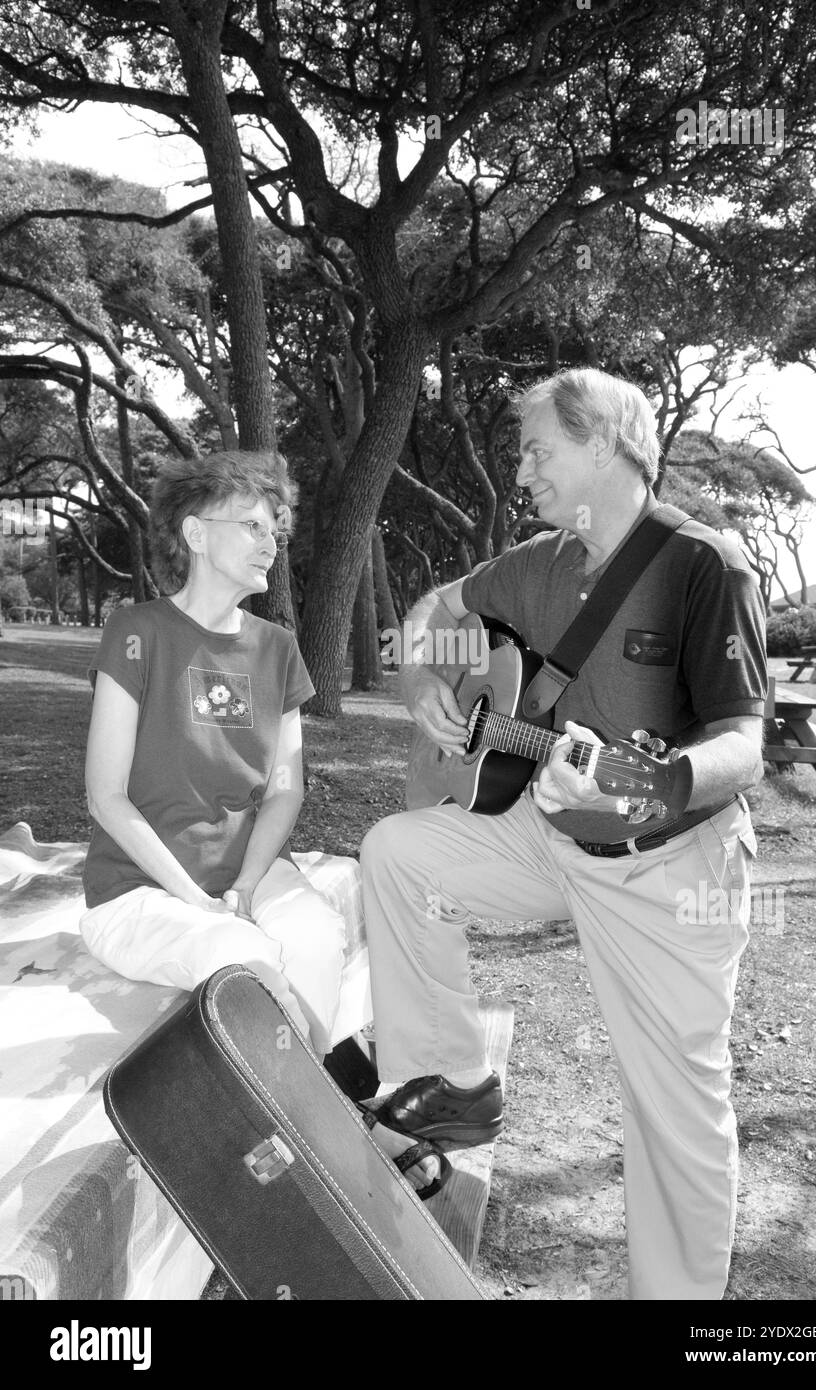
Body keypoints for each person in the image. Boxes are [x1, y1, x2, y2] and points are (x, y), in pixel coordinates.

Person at [360, 368, 769, 1296]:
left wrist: (668, 782)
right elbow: (436, 617)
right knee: (400, 854)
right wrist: (426, 682)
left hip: (668, 864)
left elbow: (745, 742)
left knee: (675, 1111)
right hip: (549, 837)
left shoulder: (705, 566)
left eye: (538, 448)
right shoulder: (536, 566)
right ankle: (455, 1084)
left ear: (605, 444)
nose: (522, 469)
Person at [80, 450, 446, 1197]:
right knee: (240, 957)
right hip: (138, 892)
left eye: (274, 530)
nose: (270, 543)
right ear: (194, 533)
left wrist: (246, 882)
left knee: (312, 940)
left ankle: (306, 1134)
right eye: (251, 525)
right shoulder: (136, 631)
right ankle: (349, 1126)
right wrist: (195, 896)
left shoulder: (276, 648)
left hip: (247, 874)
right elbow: (105, 797)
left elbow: (285, 788)